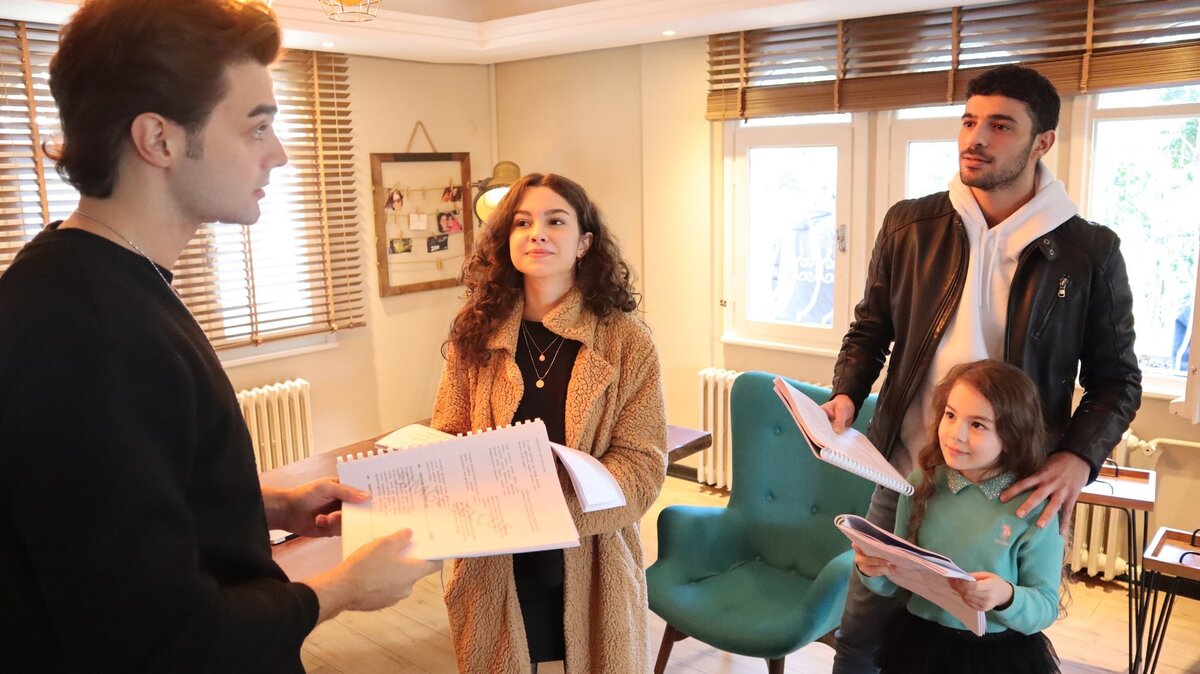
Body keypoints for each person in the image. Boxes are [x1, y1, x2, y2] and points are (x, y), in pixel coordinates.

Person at [0, 1, 439, 671]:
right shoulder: (95, 337)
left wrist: (269, 503)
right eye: (257, 127)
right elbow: (157, 638)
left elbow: (122, 500)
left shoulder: (88, 276)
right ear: (159, 139)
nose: (279, 155)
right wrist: (344, 588)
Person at [824, 64, 1141, 673]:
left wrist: (1078, 457)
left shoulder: (1089, 251)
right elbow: (870, 328)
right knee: (861, 635)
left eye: (1000, 126)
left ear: (1042, 141)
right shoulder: (909, 225)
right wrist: (846, 393)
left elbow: (1118, 378)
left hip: (1009, 489)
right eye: (970, 121)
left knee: (983, 641)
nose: (976, 138)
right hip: (908, 473)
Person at [432, 173, 668, 673]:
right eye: (522, 222)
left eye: (555, 221)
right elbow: (448, 435)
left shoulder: (627, 341)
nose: (537, 233)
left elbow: (642, 465)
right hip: (494, 559)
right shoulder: (475, 332)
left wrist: (549, 512)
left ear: (584, 243)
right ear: (506, 241)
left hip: (590, 555)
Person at [854, 360, 1064, 674]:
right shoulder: (920, 484)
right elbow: (893, 582)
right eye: (951, 415)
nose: (956, 435)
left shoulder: (1034, 508)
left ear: (1012, 435)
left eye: (977, 425)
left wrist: (1005, 595)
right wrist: (871, 569)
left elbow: (1045, 606)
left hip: (996, 656)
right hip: (919, 644)